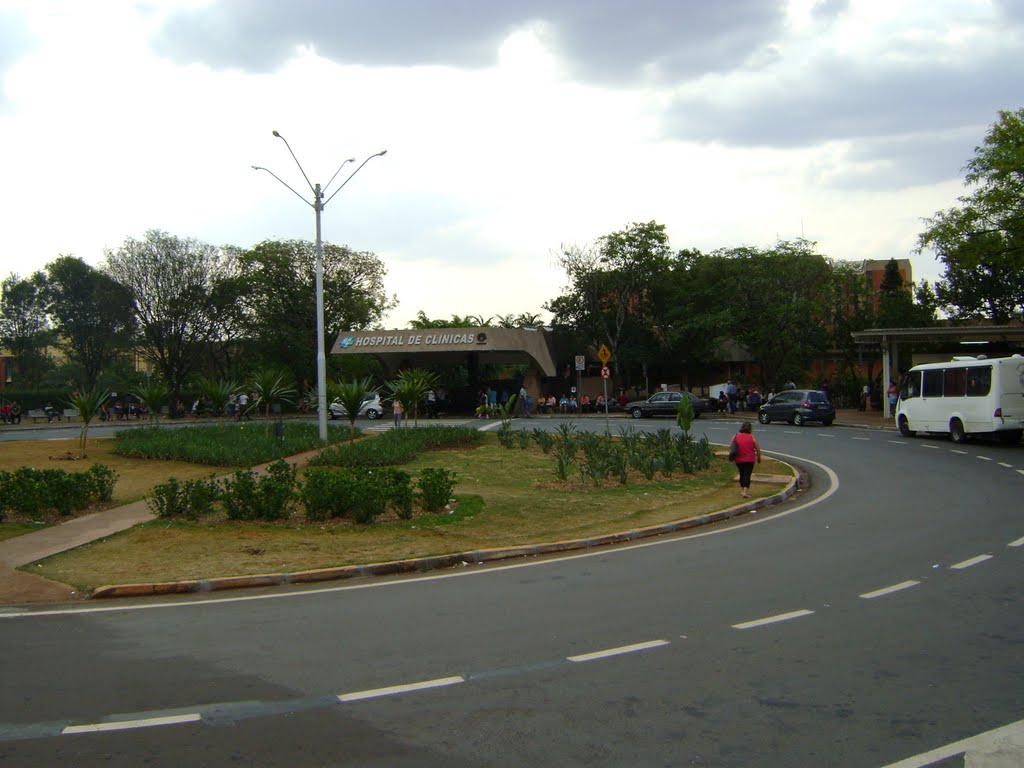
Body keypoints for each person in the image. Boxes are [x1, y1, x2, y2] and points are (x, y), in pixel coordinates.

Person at [730, 421, 762, 499]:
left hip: (739, 459)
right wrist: (759, 458)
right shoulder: (752, 437)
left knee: (742, 474)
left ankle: (743, 489)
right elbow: (757, 449)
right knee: (747, 474)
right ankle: (745, 492)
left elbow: (731, 446)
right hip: (750, 459)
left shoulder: (736, 436)